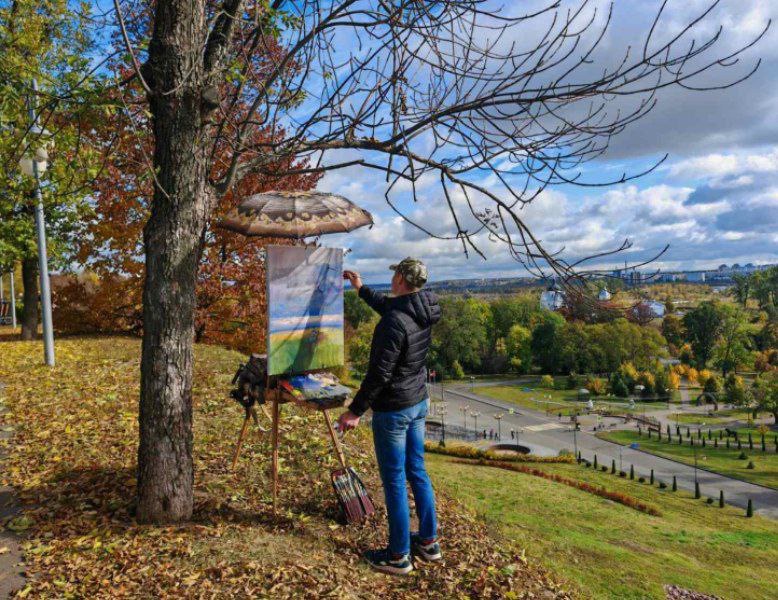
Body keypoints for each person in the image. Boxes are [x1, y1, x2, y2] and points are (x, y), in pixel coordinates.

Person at [338, 258, 442, 576]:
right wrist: (361, 289)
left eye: (394, 274)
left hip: (394, 408)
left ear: (399, 278)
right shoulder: (423, 306)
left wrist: (354, 411)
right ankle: (428, 542)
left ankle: (399, 556)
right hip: (417, 402)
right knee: (417, 472)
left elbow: (378, 374)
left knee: (395, 480)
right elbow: (390, 307)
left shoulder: (394, 322)